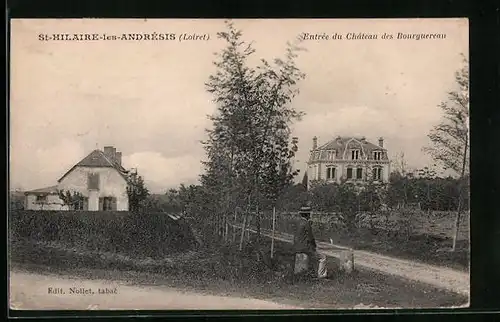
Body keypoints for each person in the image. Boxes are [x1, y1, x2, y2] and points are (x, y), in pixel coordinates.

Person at [293, 206, 327, 279]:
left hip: (297, 247)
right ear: (307, 214)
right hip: (305, 248)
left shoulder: (298, 223)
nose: (310, 215)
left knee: (314, 258)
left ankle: (312, 273)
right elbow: (310, 237)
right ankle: (321, 275)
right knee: (322, 257)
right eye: (309, 214)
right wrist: (314, 246)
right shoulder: (306, 223)